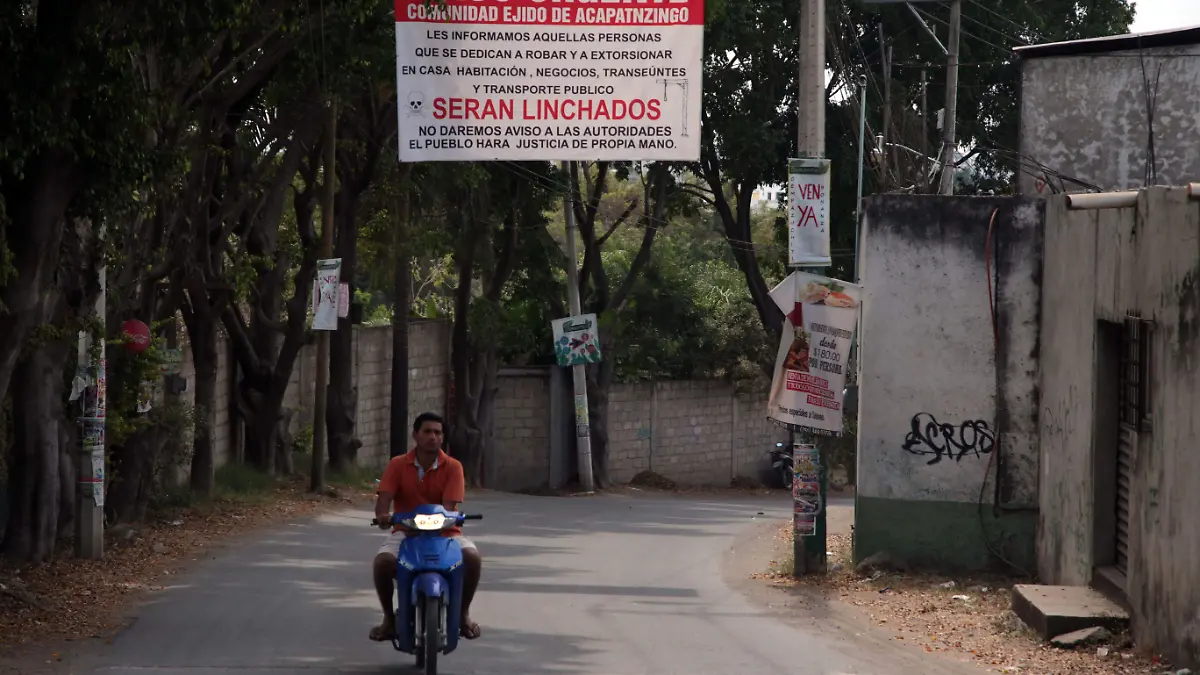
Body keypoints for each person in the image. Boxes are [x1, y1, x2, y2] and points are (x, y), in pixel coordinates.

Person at [370, 412, 483, 642]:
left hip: (445, 533)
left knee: (472, 557)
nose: (433, 437)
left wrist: (439, 520)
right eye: (427, 431)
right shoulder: (397, 464)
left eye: (437, 432)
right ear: (415, 435)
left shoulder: (454, 467)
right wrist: (383, 515)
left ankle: (463, 614)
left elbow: (448, 506)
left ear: (443, 438)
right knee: (382, 563)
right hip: (405, 532)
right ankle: (388, 620)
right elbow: (384, 500)